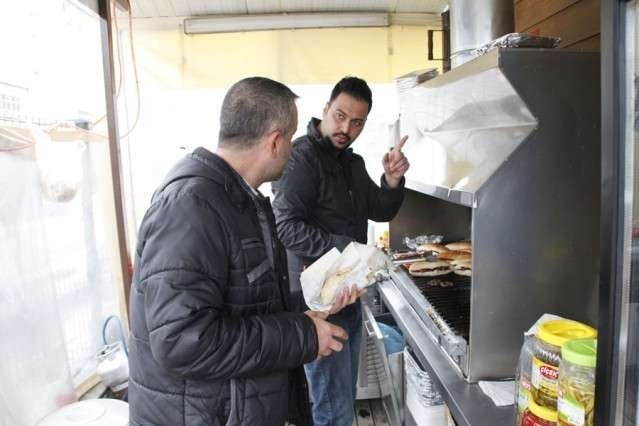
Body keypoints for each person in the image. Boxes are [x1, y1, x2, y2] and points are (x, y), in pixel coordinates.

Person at [127, 77, 350, 426]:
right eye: (291, 137)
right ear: (275, 141)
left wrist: (313, 303)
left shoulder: (238, 199)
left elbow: (245, 305)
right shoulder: (190, 207)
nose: (292, 148)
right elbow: (182, 340)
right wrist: (301, 337)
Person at [272, 76, 410, 426]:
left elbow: (380, 209)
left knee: (342, 400)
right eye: (340, 116)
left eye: (358, 122)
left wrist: (392, 180)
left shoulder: (352, 163)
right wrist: (348, 251)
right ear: (325, 109)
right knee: (332, 406)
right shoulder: (301, 158)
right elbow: (285, 226)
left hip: (349, 295)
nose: (347, 128)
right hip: (318, 301)